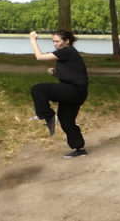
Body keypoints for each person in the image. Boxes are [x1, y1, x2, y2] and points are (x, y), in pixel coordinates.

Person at [29, 30, 89, 158]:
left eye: (57, 41)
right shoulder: (67, 54)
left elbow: (39, 57)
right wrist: (55, 73)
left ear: (66, 41)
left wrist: (33, 40)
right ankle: (80, 148)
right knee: (66, 120)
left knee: (38, 89)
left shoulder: (67, 50)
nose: (55, 44)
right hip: (76, 92)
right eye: (53, 41)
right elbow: (72, 76)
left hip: (74, 91)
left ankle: (48, 115)